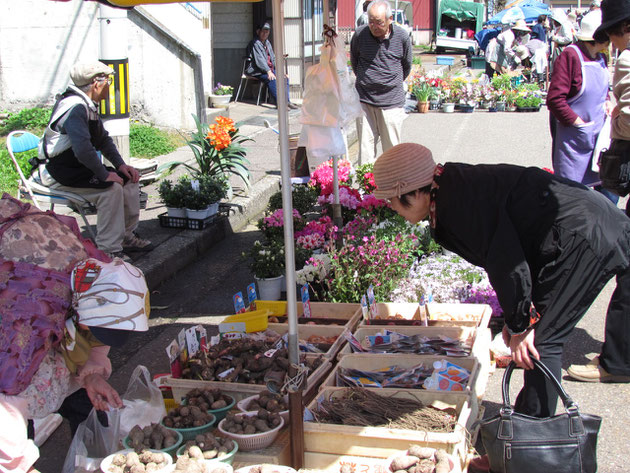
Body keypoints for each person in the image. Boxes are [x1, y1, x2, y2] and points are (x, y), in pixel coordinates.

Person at [373, 142, 630, 422]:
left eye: (391, 200)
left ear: (409, 190)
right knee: (537, 338)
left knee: (541, 344)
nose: (391, 208)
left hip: (583, 234)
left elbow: (507, 264)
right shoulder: (449, 186)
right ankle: (529, 427)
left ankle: (529, 444)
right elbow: (513, 248)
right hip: (585, 223)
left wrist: (520, 325)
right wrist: (516, 318)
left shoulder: (457, 206)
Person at [0, 195, 150, 472]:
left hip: (39, 275)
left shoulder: (97, 271)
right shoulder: (28, 317)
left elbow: (90, 332)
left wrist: (92, 369)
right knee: (17, 418)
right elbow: (5, 391)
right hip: (13, 315)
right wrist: (18, 465)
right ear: (78, 315)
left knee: (85, 404)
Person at [566, 0, 630, 381]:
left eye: (617, 33)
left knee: (627, 264)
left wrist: (617, 120)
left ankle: (618, 362)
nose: (614, 42)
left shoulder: (627, 60)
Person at [39, 61, 152, 261]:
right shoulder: (75, 108)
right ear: (96, 83)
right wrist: (104, 174)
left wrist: (120, 166)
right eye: (108, 80)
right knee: (111, 189)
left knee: (129, 179)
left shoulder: (86, 105)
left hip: (78, 168)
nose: (110, 85)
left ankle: (125, 236)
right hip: (62, 172)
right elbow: (83, 150)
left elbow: (102, 140)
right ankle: (108, 250)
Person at [546, 10, 615, 202]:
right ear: (601, 36)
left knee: (605, 196)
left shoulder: (601, 57)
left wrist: (607, 101)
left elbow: (601, 89)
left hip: (598, 137)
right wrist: (577, 123)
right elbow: (554, 99)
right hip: (575, 138)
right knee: (573, 197)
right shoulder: (571, 56)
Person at [350, 0, 412, 164]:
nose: (374, 26)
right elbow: (355, 62)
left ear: (390, 19)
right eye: (371, 22)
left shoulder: (402, 37)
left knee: (392, 151)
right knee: (365, 150)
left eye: (379, 22)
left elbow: (406, 66)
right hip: (365, 100)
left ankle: (392, 187)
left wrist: (390, 82)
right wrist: (367, 79)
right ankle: (366, 186)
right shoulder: (359, 35)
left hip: (391, 102)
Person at [245, 22, 298, 110]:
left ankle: (287, 101)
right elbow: (260, 61)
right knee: (272, 79)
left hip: (268, 69)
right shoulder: (255, 43)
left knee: (284, 78)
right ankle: (280, 103)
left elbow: (273, 58)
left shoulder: (267, 43)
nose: (265, 33)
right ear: (258, 31)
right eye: (263, 31)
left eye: (267, 31)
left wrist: (279, 71)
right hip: (256, 70)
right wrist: (269, 71)